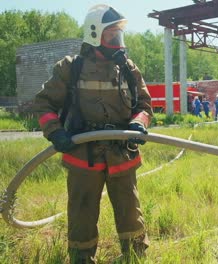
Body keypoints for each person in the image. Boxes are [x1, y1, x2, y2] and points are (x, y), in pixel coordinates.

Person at [34, 4, 152, 263]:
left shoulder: (128, 69)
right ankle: (81, 258)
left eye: (119, 35)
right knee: (82, 212)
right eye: (112, 35)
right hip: (82, 154)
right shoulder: (70, 68)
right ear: (94, 35)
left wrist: (138, 123)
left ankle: (134, 256)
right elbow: (43, 103)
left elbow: (145, 105)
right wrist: (55, 132)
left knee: (130, 211)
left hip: (122, 153)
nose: (117, 42)